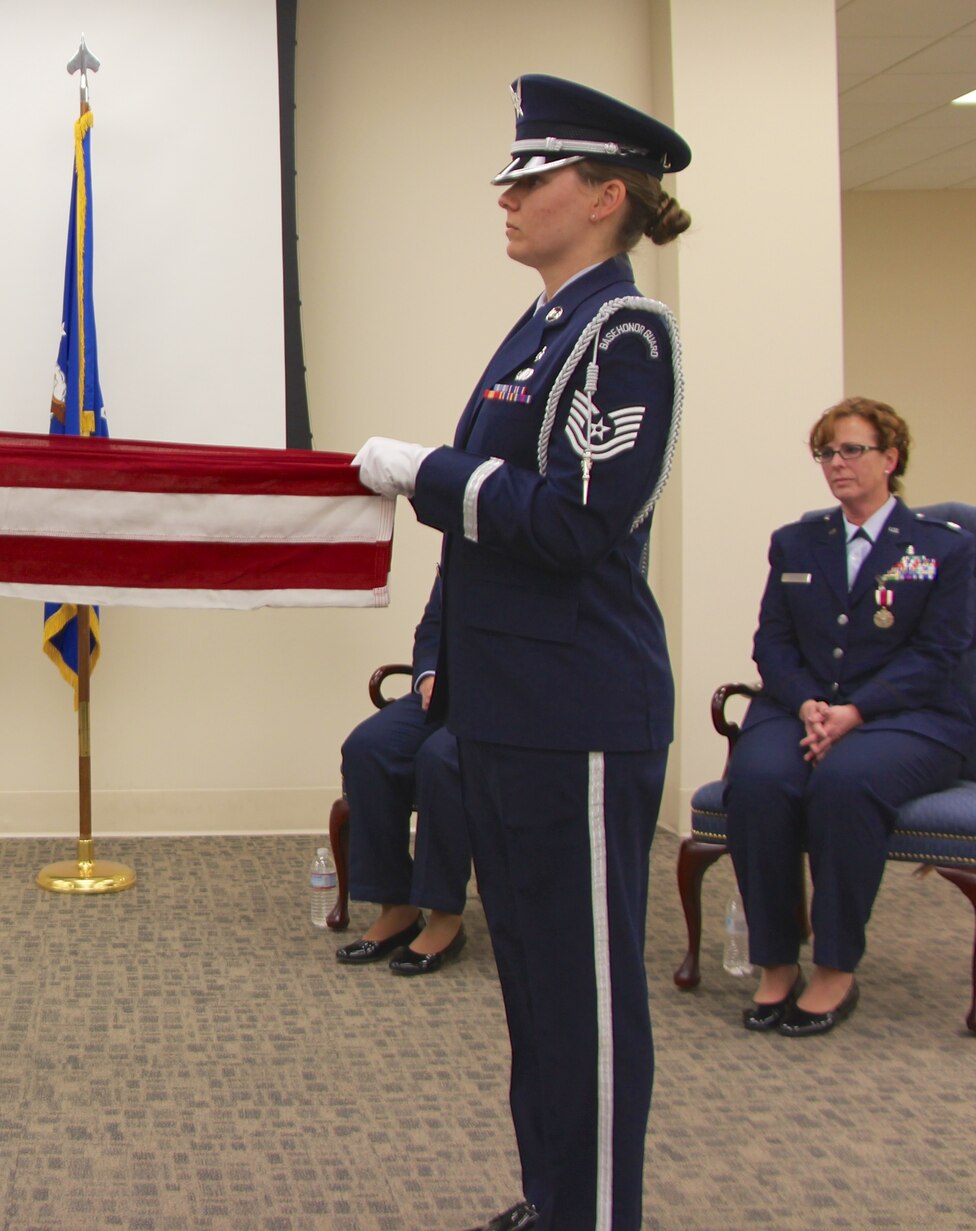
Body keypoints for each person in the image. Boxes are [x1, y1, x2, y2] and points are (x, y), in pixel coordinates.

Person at [352, 75, 692, 1231]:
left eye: (529, 179)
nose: (505, 197)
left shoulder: (623, 332)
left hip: (575, 706)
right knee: (538, 989)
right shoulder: (543, 321)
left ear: (604, 196)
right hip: (506, 704)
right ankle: (558, 1199)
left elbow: (571, 522)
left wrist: (430, 473)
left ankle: (594, 1217)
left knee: (585, 996)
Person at [724, 399, 974, 1037]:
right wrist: (810, 704)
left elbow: (939, 654)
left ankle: (837, 967)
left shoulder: (943, 548)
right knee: (757, 781)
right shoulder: (796, 541)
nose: (836, 464)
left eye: (851, 450)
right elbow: (772, 644)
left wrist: (856, 711)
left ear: (890, 459)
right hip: (801, 707)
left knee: (845, 783)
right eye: (826, 453)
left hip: (910, 718)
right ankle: (776, 963)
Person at [334, 578, 471, 974]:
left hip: (503, 698)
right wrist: (428, 676)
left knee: (439, 759)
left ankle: (445, 916)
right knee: (368, 749)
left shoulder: (528, 532)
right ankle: (398, 907)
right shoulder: (460, 534)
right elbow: (433, 626)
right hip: (445, 692)